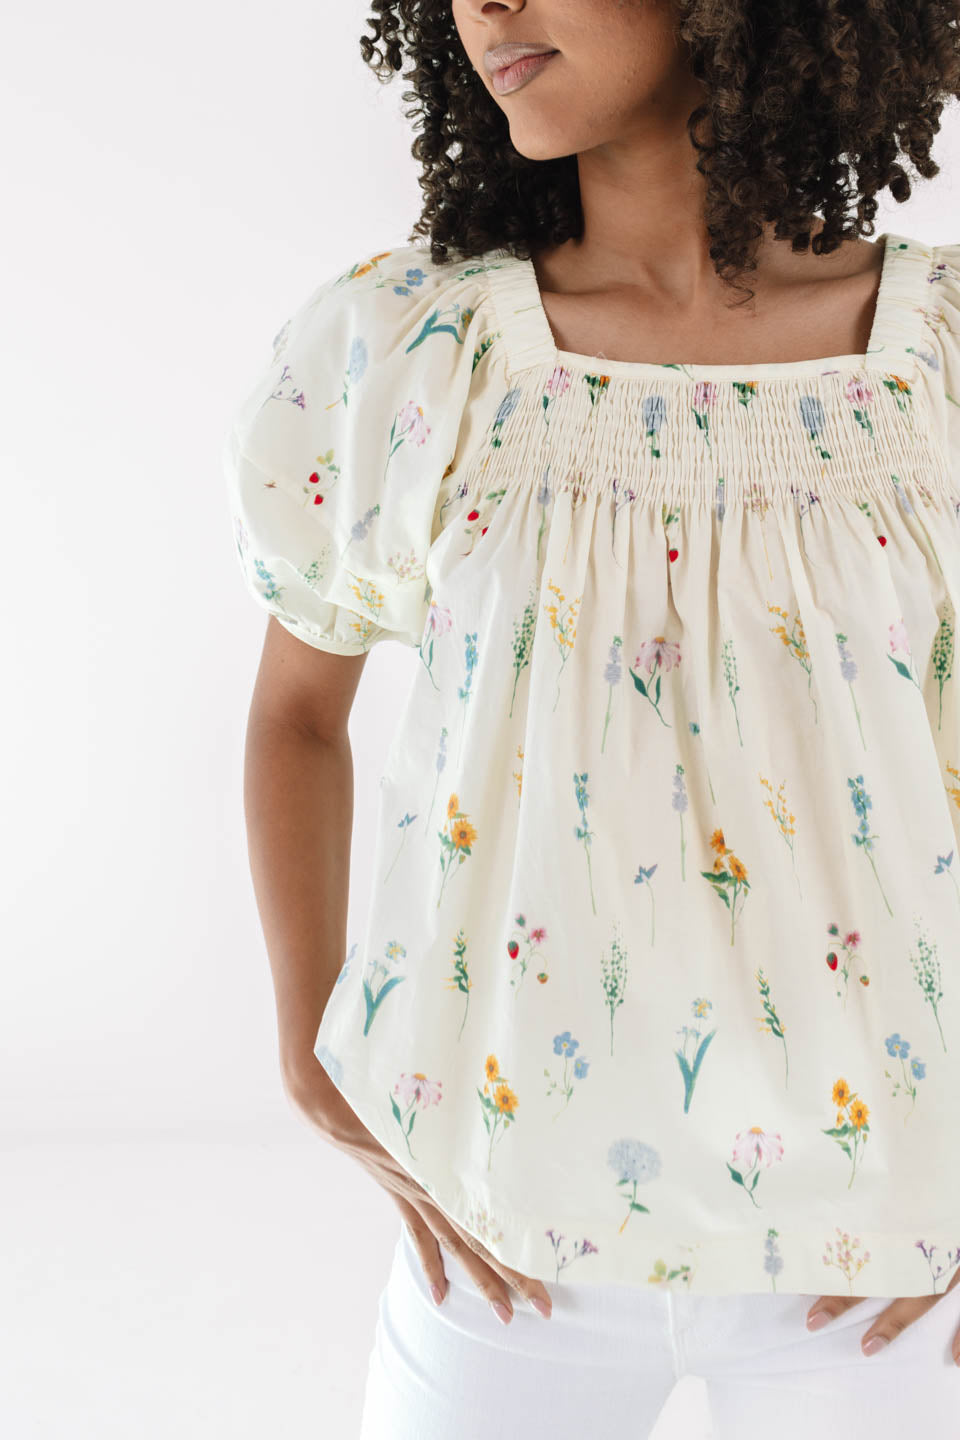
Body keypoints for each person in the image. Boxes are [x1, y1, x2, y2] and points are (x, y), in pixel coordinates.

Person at [222, 0, 960, 1433]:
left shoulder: (936, 361)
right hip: (500, 1243)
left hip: (886, 1258)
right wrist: (310, 1051)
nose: (486, 3)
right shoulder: (419, 354)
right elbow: (298, 714)